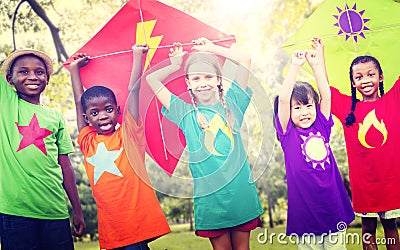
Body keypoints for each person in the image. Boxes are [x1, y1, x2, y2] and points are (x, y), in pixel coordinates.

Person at [145, 37, 263, 250]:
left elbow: (245, 59)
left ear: (218, 79)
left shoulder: (233, 104)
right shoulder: (184, 112)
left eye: (209, 76)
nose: (203, 83)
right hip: (211, 201)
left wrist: (211, 49)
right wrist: (175, 65)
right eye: (196, 78)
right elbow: (152, 80)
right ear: (188, 83)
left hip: (240, 196)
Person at [69, 44, 170, 250]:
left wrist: (137, 57)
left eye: (108, 109)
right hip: (112, 231)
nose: (103, 115)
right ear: (87, 118)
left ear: (117, 110)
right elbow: (80, 103)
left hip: (136, 226)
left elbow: (133, 91)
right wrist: (74, 70)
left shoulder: (128, 135)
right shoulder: (88, 142)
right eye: (95, 113)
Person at [313, 37, 400, 250]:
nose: (366, 80)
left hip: (390, 181)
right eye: (359, 76)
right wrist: (319, 58)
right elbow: (326, 91)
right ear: (353, 83)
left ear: (380, 77)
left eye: (371, 74)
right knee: (368, 229)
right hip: (364, 185)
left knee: (390, 228)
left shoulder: (393, 99)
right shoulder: (347, 109)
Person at [0, 49, 85, 249]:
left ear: (47, 79)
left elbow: (65, 166)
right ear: (9, 80)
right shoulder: (6, 104)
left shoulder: (56, 117)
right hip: (15, 213)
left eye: (39, 72)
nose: (32, 76)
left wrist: (77, 209)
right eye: (23, 72)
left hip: (55, 211)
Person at [273, 49, 354, 249]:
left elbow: (326, 96)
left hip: (332, 206)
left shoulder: (321, 126)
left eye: (308, 106)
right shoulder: (287, 134)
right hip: (305, 212)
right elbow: (283, 100)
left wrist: (316, 66)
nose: (304, 112)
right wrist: (295, 67)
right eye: (297, 108)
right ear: (288, 113)